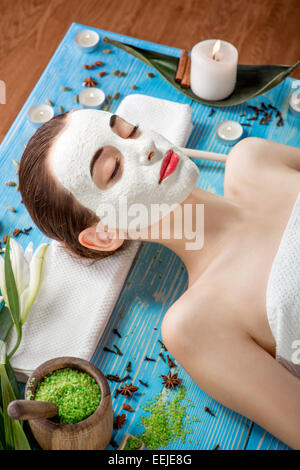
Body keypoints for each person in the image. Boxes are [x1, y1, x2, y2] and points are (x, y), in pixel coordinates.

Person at [19, 109, 300, 449]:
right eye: (114, 170)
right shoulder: (197, 324)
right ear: (105, 235)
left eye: (130, 130)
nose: (146, 147)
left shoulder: (255, 159)